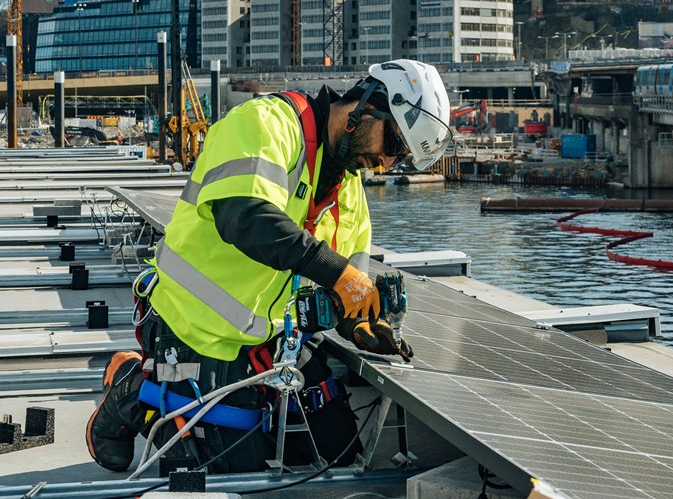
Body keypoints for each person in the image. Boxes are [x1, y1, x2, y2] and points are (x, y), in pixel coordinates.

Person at [86, 59, 451, 474]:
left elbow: (348, 283)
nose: (387, 162)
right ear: (369, 105)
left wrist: (360, 324)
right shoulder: (267, 124)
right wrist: (338, 274)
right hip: (193, 326)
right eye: (393, 145)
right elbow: (245, 217)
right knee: (233, 472)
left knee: (339, 449)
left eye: (400, 158)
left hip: (272, 339)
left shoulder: (349, 191)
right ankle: (132, 388)